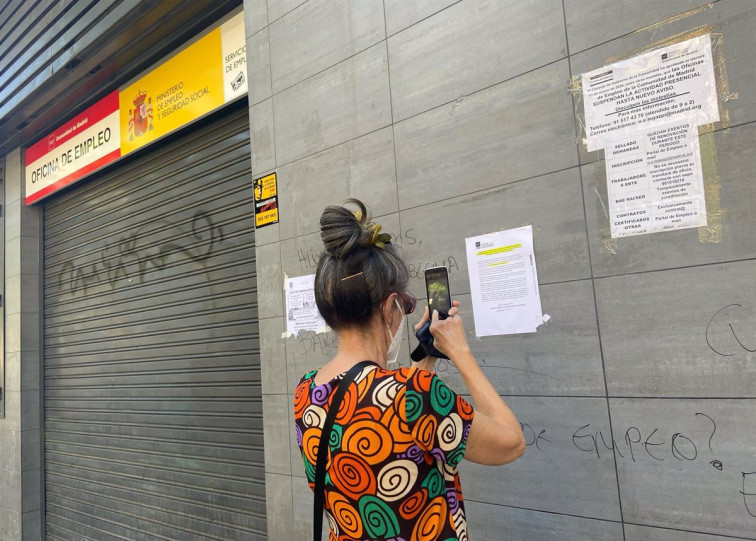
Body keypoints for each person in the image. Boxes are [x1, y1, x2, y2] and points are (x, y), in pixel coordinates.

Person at [293, 199, 525, 541]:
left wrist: (424, 360)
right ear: (390, 307)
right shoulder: (415, 393)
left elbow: (397, 426)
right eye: (405, 305)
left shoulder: (306, 392)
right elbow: (511, 442)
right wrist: (459, 351)